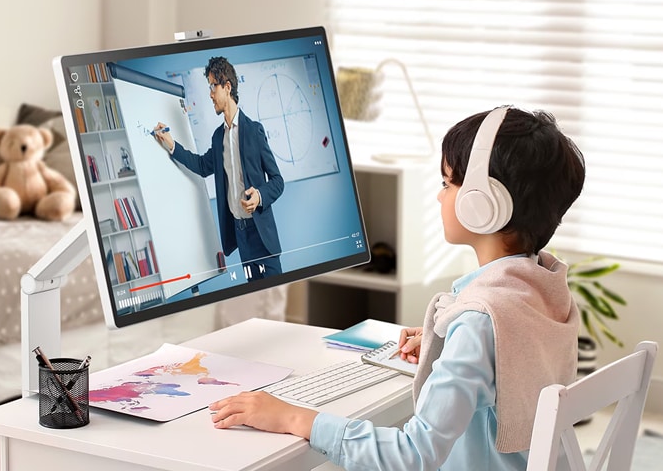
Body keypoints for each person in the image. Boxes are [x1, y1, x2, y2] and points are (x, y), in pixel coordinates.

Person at [208, 106, 586, 469]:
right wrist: (456, 344)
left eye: (447, 182)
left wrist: (294, 416)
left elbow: (414, 456)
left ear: (482, 204)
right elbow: (509, 350)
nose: (439, 195)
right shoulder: (543, 286)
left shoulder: (480, 323)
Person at [153, 57, 284, 281]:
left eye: (213, 87)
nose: (210, 94)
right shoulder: (217, 138)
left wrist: (260, 196)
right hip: (241, 234)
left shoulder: (254, 131)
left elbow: (277, 181)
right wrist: (172, 145)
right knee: (253, 298)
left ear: (227, 87)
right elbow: (203, 166)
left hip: (261, 233)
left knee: (272, 296)